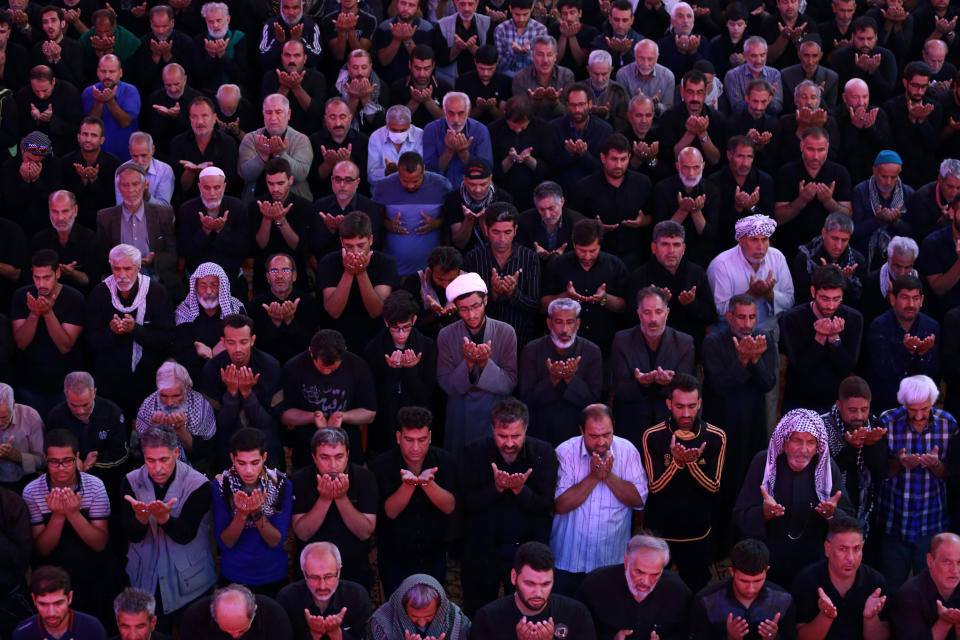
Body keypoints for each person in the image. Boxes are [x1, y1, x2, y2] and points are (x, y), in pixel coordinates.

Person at [459, 398, 558, 615]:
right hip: (482, 551)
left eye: (516, 436)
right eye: (502, 436)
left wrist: (520, 490)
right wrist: (496, 488)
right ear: (492, 428)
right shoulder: (474, 452)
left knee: (524, 616)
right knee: (479, 613)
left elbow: (546, 506)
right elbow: (466, 503)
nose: (509, 443)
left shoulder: (544, 453)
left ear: (526, 429)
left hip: (526, 552)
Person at [734, 409, 853, 587]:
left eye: (811, 442)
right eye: (797, 440)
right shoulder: (764, 462)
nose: (803, 450)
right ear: (785, 440)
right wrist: (764, 513)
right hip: (768, 561)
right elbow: (740, 516)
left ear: (818, 446)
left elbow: (849, 521)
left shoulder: (826, 468)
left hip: (813, 563)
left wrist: (831, 515)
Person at [120, 425, 216, 629]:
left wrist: (164, 519)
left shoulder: (199, 484)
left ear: (176, 452)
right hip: (146, 581)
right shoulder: (130, 482)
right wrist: (140, 519)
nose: (157, 468)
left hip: (192, 584)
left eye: (164, 459)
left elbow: (185, 535)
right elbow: (130, 535)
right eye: (150, 460)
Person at [22, 429, 118, 623]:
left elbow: (100, 543)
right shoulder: (32, 491)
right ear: (45, 459)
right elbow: (42, 550)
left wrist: (74, 514)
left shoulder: (95, 485)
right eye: (54, 462)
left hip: (94, 571)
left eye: (67, 460)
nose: (61, 468)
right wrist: (58, 516)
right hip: (54, 575)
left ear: (77, 457)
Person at [641, 374, 726, 592]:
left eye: (691, 406)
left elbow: (714, 487)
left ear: (700, 404)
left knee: (696, 589)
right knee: (655, 590)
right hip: (661, 531)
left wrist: (691, 464)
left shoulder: (716, 436)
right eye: (679, 406)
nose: (686, 413)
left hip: (698, 532)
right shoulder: (652, 436)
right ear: (669, 404)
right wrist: (677, 464)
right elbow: (655, 487)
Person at [551, 403, 648, 596]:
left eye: (607, 434)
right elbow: (560, 505)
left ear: (613, 426)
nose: (601, 442)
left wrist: (609, 477)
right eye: (594, 436)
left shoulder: (628, 451)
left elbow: (639, 500)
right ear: (581, 431)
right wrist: (594, 477)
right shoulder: (565, 452)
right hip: (568, 559)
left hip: (611, 560)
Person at [877, 375, 956, 589]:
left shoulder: (947, 423)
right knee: (890, 589)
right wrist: (900, 463)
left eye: (925, 408)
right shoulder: (887, 421)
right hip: (894, 523)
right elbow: (878, 472)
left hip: (931, 524)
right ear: (904, 404)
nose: (919, 416)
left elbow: (949, 474)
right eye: (913, 410)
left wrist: (935, 464)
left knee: (930, 590)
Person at [702, 294, 778, 514]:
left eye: (752, 317)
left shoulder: (764, 339)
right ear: (729, 317)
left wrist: (754, 360)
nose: (747, 324)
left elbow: (768, 384)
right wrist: (743, 360)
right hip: (722, 424)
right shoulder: (713, 342)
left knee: (751, 479)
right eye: (742, 317)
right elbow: (720, 386)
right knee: (723, 484)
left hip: (753, 422)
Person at [370, 406, 455, 596]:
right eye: (409, 440)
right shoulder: (381, 465)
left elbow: (450, 506)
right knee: (395, 612)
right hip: (395, 554)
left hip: (433, 552)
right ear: (399, 437)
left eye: (422, 440)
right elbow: (390, 512)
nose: (416, 447)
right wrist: (408, 486)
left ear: (430, 437)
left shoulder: (446, 461)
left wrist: (427, 484)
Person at [436, 272, 518, 457]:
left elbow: (510, 383)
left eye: (475, 306)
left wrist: (484, 363)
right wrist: (469, 364)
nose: (471, 315)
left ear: (485, 301)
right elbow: (446, 384)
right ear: (456, 308)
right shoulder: (446, 335)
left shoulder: (506, 332)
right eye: (463, 309)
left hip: (494, 413)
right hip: (459, 415)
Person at [291, 427, 377, 589]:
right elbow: (302, 533)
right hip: (312, 570)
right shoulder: (300, 479)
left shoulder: (364, 477)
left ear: (348, 455)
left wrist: (341, 497)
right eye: (325, 457)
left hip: (354, 567)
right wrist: (324, 499)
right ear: (314, 458)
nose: (333, 465)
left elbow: (365, 532)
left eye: (339, 457)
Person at [212, 428, 292, 597]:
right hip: (234, 574)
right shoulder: (221, 486)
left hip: (272, 574)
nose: (248, 470)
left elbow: (276, 541)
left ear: (264, 457)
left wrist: (256, 513)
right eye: (241, 463)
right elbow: (225, 542)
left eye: (255, 463)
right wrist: (241, 515)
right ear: (232, 458)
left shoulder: (280, 484)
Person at [281, 329, 376, 468]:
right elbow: (285, 415)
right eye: (322, 367)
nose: (326, 372)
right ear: (310, 351)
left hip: (348, 449)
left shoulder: (358, 366)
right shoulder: (293, 367)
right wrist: (312, 417)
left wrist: (343, 416)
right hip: (306, 451)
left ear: (344, 352)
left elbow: (369, 413)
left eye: (332, 369)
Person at [199, 314, 283, 469]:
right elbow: (221, 423)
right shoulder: (212, 369)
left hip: (265, 445)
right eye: (231, 342)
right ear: (223, 342)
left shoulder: (270, 366)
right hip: (228, 447)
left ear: (252, 340)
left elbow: (268, 421)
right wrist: (231, 393)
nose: (238, 349)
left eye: (243, 342)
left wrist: (247, 393)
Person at [610, 286, 695, 440]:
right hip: (632, 417)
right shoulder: (621, 340)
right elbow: (621, 390)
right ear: (638, 314)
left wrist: (670, 383)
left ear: (667, 313)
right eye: (647, 313)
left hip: (670, 419)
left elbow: (687, 390)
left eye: (658, 312)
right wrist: (642, 384)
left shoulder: (684, 342)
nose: (653, 319)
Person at [779, 265, 864, 413]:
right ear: (813, 292)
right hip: (799, 401)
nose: (830, 306)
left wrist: (834, 338)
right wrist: (820, 337)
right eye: (824, 298)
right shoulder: (792, 318)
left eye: (836, 299)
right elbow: (801, 368)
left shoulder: (854, 318)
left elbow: (848, 367)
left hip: (836, 404)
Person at [11, 249, 85, 419]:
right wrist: (34, 314)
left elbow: (65, 345)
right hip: (29, 383)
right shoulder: (22, 296)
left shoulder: (74, 298)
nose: (41, 283)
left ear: (58, 273)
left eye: (46, 277)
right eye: (37, 277)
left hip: (64, 385)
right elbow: (21, 343)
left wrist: (48, 313)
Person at [519, 298, 602, 445]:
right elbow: (526, 400)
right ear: (549, 323)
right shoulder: (531, 350)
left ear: (578, 324)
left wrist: (570, 379)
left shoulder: (592, 351)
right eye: (559, 322)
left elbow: (593, 402)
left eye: (570, 322)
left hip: (578, 432)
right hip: (540, 432)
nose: (564, 330)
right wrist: (553, 379)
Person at [471, 541, 595, 639]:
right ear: (514, 577)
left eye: (546, 584)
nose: (538, 593)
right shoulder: (488, 618)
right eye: (530, 583)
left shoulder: (577, 614)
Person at [363, 291, 437, 455]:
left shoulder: (427, 346)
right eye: (395, 328)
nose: (401, 334)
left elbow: (425, 395)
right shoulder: (373, 349)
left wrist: (410, 371)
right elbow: (376, 399)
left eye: (406, 327)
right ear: (386, 322)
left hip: (417, 421)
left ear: (414, 320)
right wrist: (393, 372)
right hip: (385, 425)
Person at [792, 516, 889, 640]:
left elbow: (884, 637)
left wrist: (870, 618)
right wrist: (825, 616)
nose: (851, 558)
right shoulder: (807, 580)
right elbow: (801, 637)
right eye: (843, 549)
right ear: (827, 549)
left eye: (856, 549)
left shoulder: (876, 582)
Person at [318, 210, 398, 354]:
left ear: (371, 240)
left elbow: (377, 311)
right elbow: (333, 311)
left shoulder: (386, 263)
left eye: (361, 246)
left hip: (375, 338)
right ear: (341, 241)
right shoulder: (328, 262)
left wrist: (361, 273)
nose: (355, 252)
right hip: (337, 339)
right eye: (349, 246)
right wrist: (349, 272)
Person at [570, 132, 653, 269]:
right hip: (599, 258)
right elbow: (574, 222)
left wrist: (642, 222)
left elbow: (654, 217)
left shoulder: (643, 183)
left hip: (636, 256)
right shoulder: (585, 187)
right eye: (614, 159)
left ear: (629, 157)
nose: (619, 165)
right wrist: (594, 228)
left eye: (623, 159)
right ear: (603, 158)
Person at [45, 372, 129, 507]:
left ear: (94, 392)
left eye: (85, 404)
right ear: (65, 393)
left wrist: (96, 461)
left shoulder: (112, 413)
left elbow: (122, 453)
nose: (80, 411)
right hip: (68, 484)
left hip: (106, 482)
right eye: (73, 405)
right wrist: (70, 459)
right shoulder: (55, 417)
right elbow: (49, 453)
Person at [97, 163, 180, 298]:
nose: (130, 190)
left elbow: (172, 255)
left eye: (135, 184)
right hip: (121, 284)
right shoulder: (105, 217)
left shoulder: (163, 213)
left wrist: (154, 259)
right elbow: (102, 259)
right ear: (119, 187)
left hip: (156, 281)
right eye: (125, 185)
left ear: (144, 185)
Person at [464, 202, 541, 347]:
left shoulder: (529, 257)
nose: (502, 239)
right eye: (496, 232)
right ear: (486, 230)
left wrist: (513, 294)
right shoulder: (473, 258)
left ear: (515, 230)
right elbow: (469, 308)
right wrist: (492, 294)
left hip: (521, 338)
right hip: (483, 340)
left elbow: (534, 306)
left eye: (507, 232)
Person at [689, 539, 797, 640]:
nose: (751, 589)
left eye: (757, 581)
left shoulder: (783, 600)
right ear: (732, 572)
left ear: (767, 570)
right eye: (744, 581)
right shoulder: (707, 601)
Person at [820, 376, 888, 534]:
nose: (859, 416)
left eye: (864, 409)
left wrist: (871, 446)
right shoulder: (821, 426)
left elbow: (881, 474)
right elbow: (823, 475)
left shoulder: (876, 425)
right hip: (828, 515)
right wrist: (851, 448)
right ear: (839, 405)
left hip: (866, 513)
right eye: (852, 410)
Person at [707, 214, 794, 337]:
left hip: (769, 336)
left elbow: (789, 302)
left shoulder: (777, 258)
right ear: (741, 241)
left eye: (764, 240)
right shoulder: (721, 265)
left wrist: (769, 295)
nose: (760, 247)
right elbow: (718, 313)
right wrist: (751, 294)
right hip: (730, 339)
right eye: (754, 240)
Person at [774, 127, 853, 261]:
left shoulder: (840, 173)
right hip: (792, 246)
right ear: (801, 146)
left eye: (821, 150)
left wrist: (829, 202)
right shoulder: (786, 172)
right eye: (810, 149)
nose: (815, 156)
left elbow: (848, 217)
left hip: (829, 248)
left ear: (827, 148)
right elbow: (779, 218)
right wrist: (801, 200)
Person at [865, 274, 940, 413]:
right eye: (905, 298)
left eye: (915, 298)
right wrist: (907, 351)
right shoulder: (879, 326)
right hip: (885, 405)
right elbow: (883, 371)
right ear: (893, 299)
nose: (911, 304)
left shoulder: (931, 327)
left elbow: (934, 373)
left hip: (920, 405)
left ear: (922, 300)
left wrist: (923, 354)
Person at [371, 151, 452, 278]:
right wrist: (389, 225)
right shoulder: (383, 186)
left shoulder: (442, 185)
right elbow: (375, 220)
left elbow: (451, 219)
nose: (410, 185)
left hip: (432, 272)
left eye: (416, 180)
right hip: (394, 270)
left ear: (424, 170)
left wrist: (436, 224)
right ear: (398, 171)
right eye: (404, 180)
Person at [276, 542, 371, 640]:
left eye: (328, 576)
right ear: (304, 573)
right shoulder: (287, 598)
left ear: (339, 571)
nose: (322, 586)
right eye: (314, 577)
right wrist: (313, 634)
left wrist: (336, 634)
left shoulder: (357, 596)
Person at [249, 157, 313, 295]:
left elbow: (297, 245)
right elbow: (260, 244)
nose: (275, 188)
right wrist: (266, 218)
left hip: (295, 270)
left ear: (290, 180)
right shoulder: (256, 205)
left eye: (280, 183)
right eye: (270, 184)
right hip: (264, 271)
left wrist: (281, 220)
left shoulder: (304, 206)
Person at [174, 262, 246, 379]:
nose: (208, 291)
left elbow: (245, 345)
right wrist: (196, 350)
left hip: (230, 376)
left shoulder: (236, 308)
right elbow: (181, 350)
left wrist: (227, 348)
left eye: (214, 285)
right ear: (195, 288)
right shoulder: (184, 311)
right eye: (203, 286)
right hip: (193, 378)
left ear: (222, 286)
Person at [176, 165, 249, 279]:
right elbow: (184, 250)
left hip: (230, 275)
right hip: (197, 276)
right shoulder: (187, 209)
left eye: (217, 187)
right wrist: (205, 231)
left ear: (224, 187)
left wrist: (221, 231)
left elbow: (243, 248)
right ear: (199, 187)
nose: (212, 193)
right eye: (206, 187)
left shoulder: (238, 207)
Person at [238, 93, 313, 201]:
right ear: (263, 114)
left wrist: (281, 155)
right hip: (255, 202)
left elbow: (301, 174)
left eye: (278, 112)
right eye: (268, 112)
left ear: (288, 114)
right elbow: (245, 174)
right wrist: (262, 157)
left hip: (294, 201)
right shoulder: (250, 138)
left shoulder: (301, 139)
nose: (273, 118)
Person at [249, 253, 320, 365]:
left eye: (285, 270)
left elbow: (310, 344)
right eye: (274, 271)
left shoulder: (307, 301)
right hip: (266, 366)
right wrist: (274, 324)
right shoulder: (256, 304)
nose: (280, 276)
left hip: (302, 365)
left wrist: (290, 321)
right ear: (267, 277)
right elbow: (256, 347)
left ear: (294, 276)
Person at [849, 150, 913, 273]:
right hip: (864, 254)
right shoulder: (860, 191)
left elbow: (913, 233)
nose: (888, 182)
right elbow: (854, 231)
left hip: (898, 258)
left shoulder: (908, 193)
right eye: (884, 176)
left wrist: (896, 222)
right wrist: (877, 221)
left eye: (893, 177)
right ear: (874, 171)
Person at [888, 532, 960, 638]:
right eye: (947, 561)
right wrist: (944, 623)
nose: (955, 571)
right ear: (930, 560)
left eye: (959, 562)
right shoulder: (909, 596)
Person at [169, 96, 240, 202]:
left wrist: (208, 173)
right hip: (188, 204)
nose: (199, 121)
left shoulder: (228, 143)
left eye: (204, 116)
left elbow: (229, 185)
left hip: (221, 202)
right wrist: (190, 172)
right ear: (190, 119)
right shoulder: (178, 143)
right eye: (194, 116)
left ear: (214, 118)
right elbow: (181, 189)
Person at [12, 566, 106, 640]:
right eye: (43, 604)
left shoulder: (92, 628)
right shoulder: (23, 633)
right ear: (33, 599)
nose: (51, 613)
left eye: (58, 603)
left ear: (70, 597)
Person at [550, 83, 614, 193]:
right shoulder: (554, 128)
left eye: (581, 104)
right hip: (562, 189)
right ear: (567, 105)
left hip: (594, 189)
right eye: (573, 105)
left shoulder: (604, 130)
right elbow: (550, 166)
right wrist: (569, 154)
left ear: (590, 104)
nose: (577, 109)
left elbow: (604, 168)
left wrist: (584, 155)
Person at [791, 213, 867, 306]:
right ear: (824, 233)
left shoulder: (857, 260)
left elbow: (860, 301)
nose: (838, 246)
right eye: (834, 238)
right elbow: (800, 298)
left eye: (844, 240)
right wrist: (823, 279)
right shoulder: (805, 257)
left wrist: (845, 281)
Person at [366, 574, 470, 640]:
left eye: (429, 616)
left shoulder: (457, 621)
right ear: (402, 607)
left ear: (439, 608)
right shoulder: (380, 625)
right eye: (414, 616)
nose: (422, 623)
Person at [423, 91, 493, 187]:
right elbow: (429, 172)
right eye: (450, 113)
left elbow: (486, 171)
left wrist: (463, 153)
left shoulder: (480, 130)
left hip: (471, 191)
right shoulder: (431, 129)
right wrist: (449, 151)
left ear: (468, 112)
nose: (455, 119)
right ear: (444, 111)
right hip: (438, 189)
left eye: (461, 113)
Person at [62, 117, 122, 227]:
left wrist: (95, 180)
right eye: (85, 134)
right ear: (78, 137)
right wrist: (83, 181)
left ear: (102, 140)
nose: (88, 139)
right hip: (73, 223)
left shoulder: (114, 164)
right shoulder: (66, 162)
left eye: (93, 135)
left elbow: (113, 202)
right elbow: (63, 200)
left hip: (104, 224)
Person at [179, 584, 292, 640]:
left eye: (241, 631)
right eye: (226, 631)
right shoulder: (195, 617)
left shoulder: (275, 616)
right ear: (213, 615)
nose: (234, 637)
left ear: (254, 610)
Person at [80, 54, 139, 161]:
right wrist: (99, 102)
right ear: (98, 72)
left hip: (125, 156)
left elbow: (125, 122)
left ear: (120, 73)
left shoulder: (131, 91)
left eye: (112, 72)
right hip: (97, 156)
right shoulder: (89, 92)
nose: (107, 75)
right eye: (103, 71)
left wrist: (110, 101)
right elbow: (90, 124)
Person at [511, 35, 573, 121]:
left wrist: (555, 102)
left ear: (555, 57)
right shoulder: (520, 78)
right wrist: (534, 103)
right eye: (540, 55)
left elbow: (570, 113)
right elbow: (520, 114)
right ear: (533, 56)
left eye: (549, 55)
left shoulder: (566, 76)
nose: (545, 60)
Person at [0, 384, 43, 492]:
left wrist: (15, 456)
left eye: (3, 417)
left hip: (28, 481)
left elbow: (42, 461)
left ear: (13, 405)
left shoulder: (31, 416)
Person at [114, 133, 174, 208]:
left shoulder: (165, 170)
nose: (139, 161)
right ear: (130, 151)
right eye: (135, 156)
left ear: (152, 150)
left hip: (158, 219)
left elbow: (165, 209)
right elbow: (121, 207)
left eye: (144, 155)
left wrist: (147, 196)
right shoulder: (122, 171)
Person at [493, 0, 548, 76]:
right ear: (510, 9)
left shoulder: (540, 30)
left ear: (531, 8)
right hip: (508, 78)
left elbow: (543, 64)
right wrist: (513, 53)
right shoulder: (501, 30)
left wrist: (527, 54)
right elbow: (499, 65)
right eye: (517, 14)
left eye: (525, 14)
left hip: (533, 78)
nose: (521, 19)